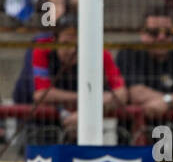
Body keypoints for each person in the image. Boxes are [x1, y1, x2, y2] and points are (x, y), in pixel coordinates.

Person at [32, 12, 128, 141]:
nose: (72, 50)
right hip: (46, 127)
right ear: (55, 41)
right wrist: (90, 99)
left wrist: (85, 114)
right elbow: (41, 94)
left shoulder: (100, 53)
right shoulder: (42, 50)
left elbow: (121, 94)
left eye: (78, 44)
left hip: (89, 125)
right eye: (66, 44)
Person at [117, 5, 173, 120]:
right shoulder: (129, 52)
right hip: (138, 131)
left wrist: (166, 100)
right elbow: (137, 94)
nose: (161, 37)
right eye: (154, 33)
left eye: (168, 33)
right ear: (142, 33)